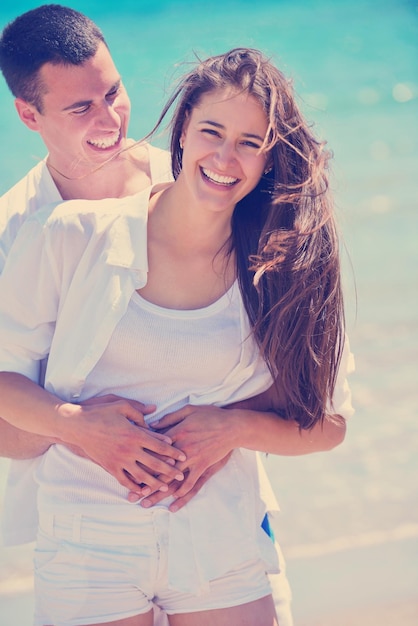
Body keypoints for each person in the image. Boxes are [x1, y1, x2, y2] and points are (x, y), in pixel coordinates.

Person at [0, 46, 354, 625]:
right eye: (212, 131)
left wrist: (234, 426)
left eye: (251, 142)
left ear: (271, 158)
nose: (225, 156)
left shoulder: (285, 264)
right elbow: (4, 382)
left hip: (221, 535)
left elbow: (328, 419)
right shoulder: (60, 234)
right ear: (182, 131)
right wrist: (81, 427)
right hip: (90, 539)